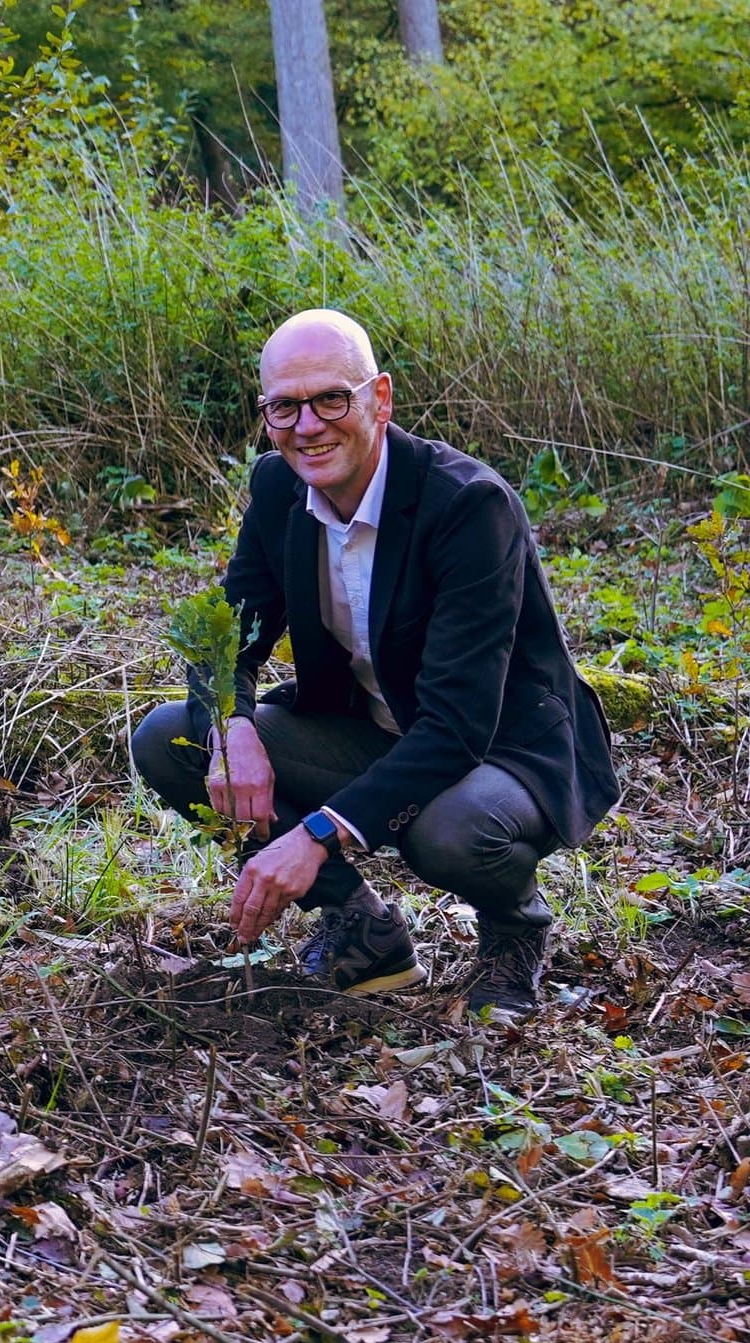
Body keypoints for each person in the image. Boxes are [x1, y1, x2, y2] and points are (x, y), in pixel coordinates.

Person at [130, 309, 617, 1020]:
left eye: (332, 398)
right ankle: (363, 924)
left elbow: (455, 728)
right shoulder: (276, 488)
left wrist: (317, 835)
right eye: (284, 407)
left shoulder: (468, 505)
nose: (308, 426)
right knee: (172, 738)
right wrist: (232, 728)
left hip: (501, 751)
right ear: (264, 413)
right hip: (369, 727)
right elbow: (223, 640)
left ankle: (516, 929)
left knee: (447, 831)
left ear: (379, 399)